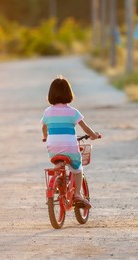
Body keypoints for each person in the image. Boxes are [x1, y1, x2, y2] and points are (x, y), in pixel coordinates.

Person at [41, 76, 100, 209]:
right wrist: (94, 135)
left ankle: (58, 175)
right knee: (77, 169)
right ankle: (78, 194)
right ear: (69, 93)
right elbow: (85, 128)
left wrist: (45, 137)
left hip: (53, 147)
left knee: (58, 159)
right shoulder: (73, 112)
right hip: (69, 146)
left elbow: (44, 127)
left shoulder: (47, 112)